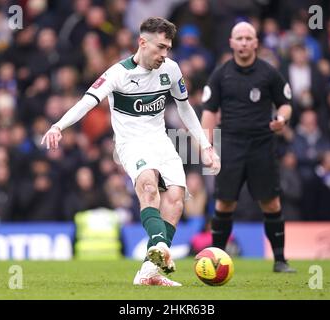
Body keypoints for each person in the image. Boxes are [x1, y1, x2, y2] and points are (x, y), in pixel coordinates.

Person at [41, 17, 220, 286]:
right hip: (131, 144)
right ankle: (160, 246)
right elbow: (86, 102)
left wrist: (205, 145)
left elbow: (185, 109)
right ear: (142, 42)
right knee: (148, 188)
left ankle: (149, 271)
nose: (164, 54)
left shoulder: (171, 69)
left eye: (168, 48)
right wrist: (58, 126)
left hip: (161, 141)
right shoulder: (118, 74)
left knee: (176, 200)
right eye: (160, 47)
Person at [201, 21, 296, 273]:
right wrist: (206, 146)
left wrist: (282, 119)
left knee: (271, 203)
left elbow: (285, 102)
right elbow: (209, 111)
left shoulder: (268, 73)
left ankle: (280, 260)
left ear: (256, 43)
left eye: (248, 38)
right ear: (231, 43)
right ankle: (215, 259)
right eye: (239, 38)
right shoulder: (220, 74)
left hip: (262, 145)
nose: (243, 42)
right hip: (230, 145)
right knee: (224, 204)